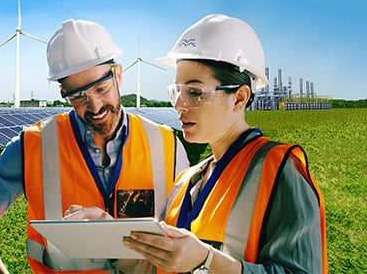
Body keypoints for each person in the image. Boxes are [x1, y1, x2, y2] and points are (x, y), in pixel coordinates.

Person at [0, 18, 190, 273]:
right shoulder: (33, 146)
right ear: (62, 92)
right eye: (78, 96)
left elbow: (190, 242)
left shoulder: (168, 145)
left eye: (101, 88)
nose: (95, 107)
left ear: (118, 74)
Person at [119, 14, 327, 273]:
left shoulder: (280, 171)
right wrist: (111, 239)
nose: (178, 106)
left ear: (239, 98)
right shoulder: (186, 181)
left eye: (195, 93)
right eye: (177, 92)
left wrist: (207, 261)